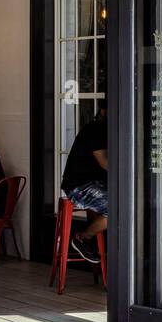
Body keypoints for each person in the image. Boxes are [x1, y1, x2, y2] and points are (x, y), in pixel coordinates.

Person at [62, 105, 108, 264]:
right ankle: (82, 238)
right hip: (79, 186)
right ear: (103, 111)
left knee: (129, 206)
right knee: (120, 209)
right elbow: (105, 163)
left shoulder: (108, 130)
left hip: (95, 184)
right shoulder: (96, 129)